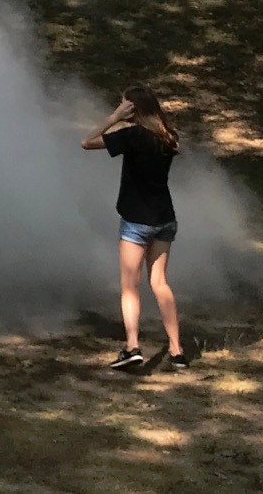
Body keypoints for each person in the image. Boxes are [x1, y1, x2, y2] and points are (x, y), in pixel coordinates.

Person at [81, 87, 188, 370]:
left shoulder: (132, 136)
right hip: (165, 218)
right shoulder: (168, 136)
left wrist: (114, 117)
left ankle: (132, 347)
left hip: (136, 221)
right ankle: (177, 351)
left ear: (132, 108)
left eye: (124, 104)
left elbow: (87, 142)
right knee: (160, 282)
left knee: (130, 285)